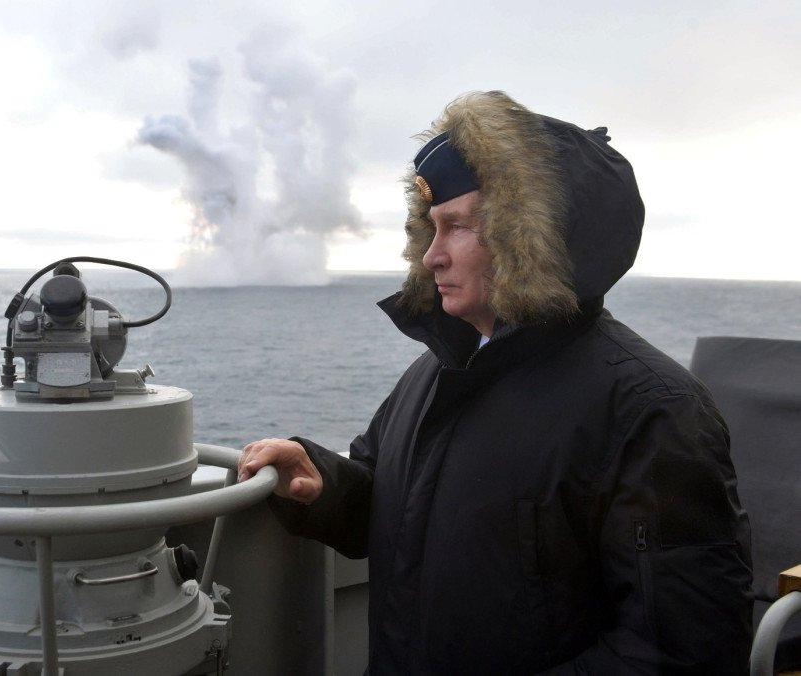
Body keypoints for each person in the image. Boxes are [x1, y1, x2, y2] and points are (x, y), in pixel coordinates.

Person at [238, 91, 752, 674]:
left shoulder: (651, 409)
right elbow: (392, 504)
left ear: (532, 239)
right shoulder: (437, 371)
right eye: (431, 229)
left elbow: (682, 652)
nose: (431, 257)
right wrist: (322, 483)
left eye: (458, 227)